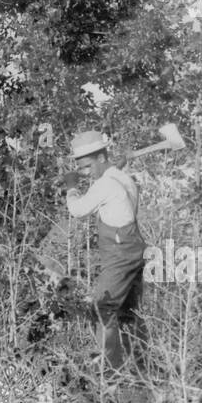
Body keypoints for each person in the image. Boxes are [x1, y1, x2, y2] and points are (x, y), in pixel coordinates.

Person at [63, 130, 146, 374]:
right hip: (135, 250)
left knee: (102, 309)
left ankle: (109, 374)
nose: (87, 174)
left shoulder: (105, 184)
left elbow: (78, 211)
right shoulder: (123, 178)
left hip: (120, 255)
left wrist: (71, 187)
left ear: (101, 158)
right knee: (128, 314)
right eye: (82, 169)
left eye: (88, 167)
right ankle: (140, 370)